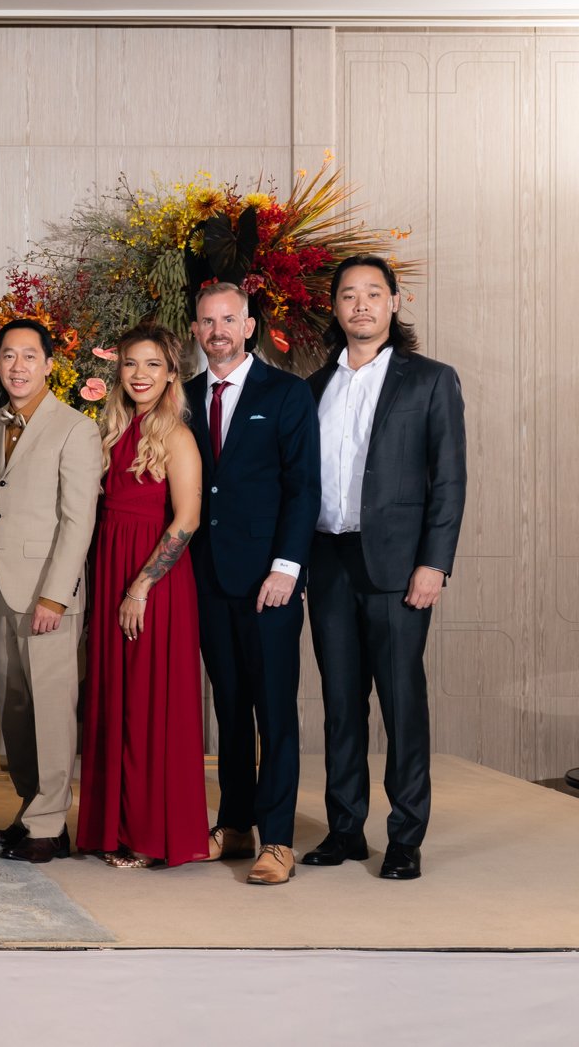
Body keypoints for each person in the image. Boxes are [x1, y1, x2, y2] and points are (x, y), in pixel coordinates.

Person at [300, 255, 466, 882]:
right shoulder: (313, 387)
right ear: (335, 307)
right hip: (329, 559)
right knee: (341, 703)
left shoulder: (430, 381)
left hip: (399, 565)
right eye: (349, 294)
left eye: (374, 293)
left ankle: (405, 837)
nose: (361, 304)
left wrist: (434, 563)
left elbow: (449, 481)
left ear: (395, 303)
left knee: (401, 703)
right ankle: (345, 828)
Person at [185, 282, 322, 885]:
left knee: (274, 710)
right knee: (230, 707)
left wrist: (287, 568)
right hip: (207, 577)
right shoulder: (184, 397)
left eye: (229, 320)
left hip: (270, 580)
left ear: (248, 326)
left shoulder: (287, 393)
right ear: (196, 330)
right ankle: (236, 823)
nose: (217, 331)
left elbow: (304, 487)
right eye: (207, 321)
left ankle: (278, 839)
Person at [75, 324, 210, 869]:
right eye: (131, 363)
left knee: (149, 704)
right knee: (115, 699)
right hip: (111, 572)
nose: (140, 374)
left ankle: (152, 835)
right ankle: (114, 826)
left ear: (172, 373)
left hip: (154, 584)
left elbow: (188, 519)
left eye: (153, 364)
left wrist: (141, 587)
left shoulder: (176, 435)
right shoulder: (111, 431)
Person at [0, 320, 99, 865]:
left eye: (29, 356)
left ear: (49, 364)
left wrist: (56, 596)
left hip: (47, 593)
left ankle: (50, 825)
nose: (17, 366)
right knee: (17, 711)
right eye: (7, 356)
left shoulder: (76, 429)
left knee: (50, 710)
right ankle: (31, 813)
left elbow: (78, 519)